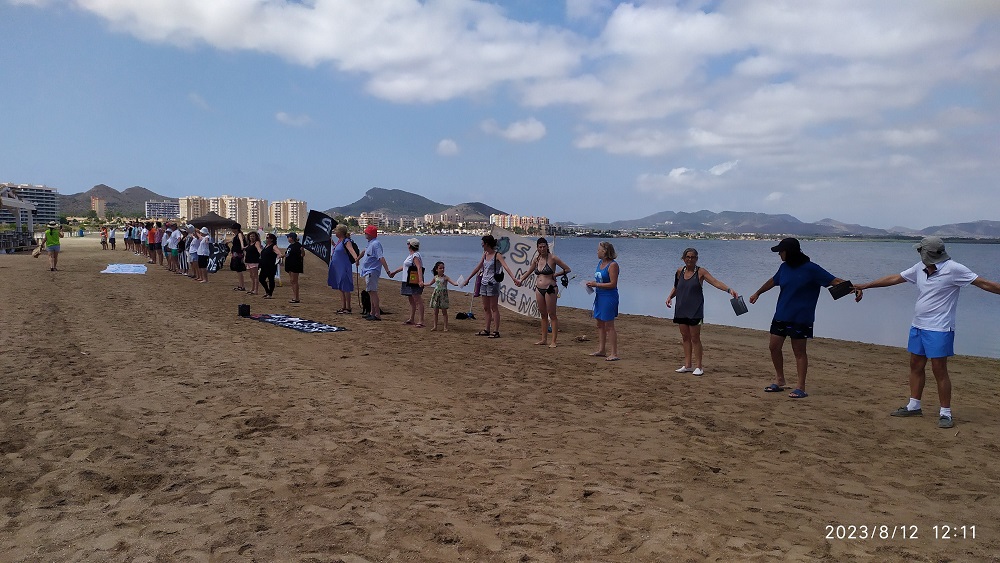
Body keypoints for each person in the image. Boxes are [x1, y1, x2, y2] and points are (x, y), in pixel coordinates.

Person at [854, 236, 1000, 428]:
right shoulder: (919, 268)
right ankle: (914, 406)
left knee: (939, 370)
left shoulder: (954, 269)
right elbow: (894, 278)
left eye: (920, 250)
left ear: (927, 253)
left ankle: (945, 413)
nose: (918, 253)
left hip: (940, 328)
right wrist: (866, 286)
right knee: (915, 364)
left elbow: (984, 284)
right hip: (918, 326)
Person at [749, 238, 852, 399]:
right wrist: (758, 293)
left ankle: (800, 387)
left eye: (780, 251)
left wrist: (856, 288)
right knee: (773, 347)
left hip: (801, 318)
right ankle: (780, 379)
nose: (779, 254)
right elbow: (773, 281)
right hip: (781, 315)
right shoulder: (784, 267)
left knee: (799, 352)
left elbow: (835, 281)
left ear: (789, 252)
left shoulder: (811, 269)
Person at [665, 247, 739, 376]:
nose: (690, 259)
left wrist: (729, 290)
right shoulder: (679, 271)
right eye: (688, 257)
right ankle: (688, 365)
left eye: (693, 257)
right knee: (685, 337)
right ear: (683, 258)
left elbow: (715, 282)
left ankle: (699, 366)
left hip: (695, 309)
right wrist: (670, 297)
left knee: (695, 338)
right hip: (681, 308)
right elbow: (677, 287)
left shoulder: (700, 272)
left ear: (696, 259)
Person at [515, 237, 571, 347]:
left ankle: (554, 341)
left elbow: (567, 269)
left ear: (547, 247)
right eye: (540, 247)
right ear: (537, 248)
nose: (542, 249)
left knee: (552, 314)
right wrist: (521, 280)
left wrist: (556, 274)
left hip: (550, 288)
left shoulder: (553, 258)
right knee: (543, 314)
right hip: (539, 288)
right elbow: (530, 271)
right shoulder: (536, 259)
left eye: (544, 246)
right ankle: (543, 339)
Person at [462, 234, 516, 338]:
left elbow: (506, 267)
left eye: (483, 243)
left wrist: (514, 278)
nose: (482, 245)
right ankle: (487, 329)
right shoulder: (485, 254)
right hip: (484, 283)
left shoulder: (497, 255)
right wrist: (468, 278)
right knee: (486, 307)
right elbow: (478, 267)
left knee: (494, 307)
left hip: (493, 283)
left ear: (487, 244)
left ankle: (496, 331)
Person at [586, 241, 620, 360]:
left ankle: (614, 353)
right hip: (599, 296)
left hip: (609, 297)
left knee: (609, 325)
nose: (597, 251)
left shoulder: (613, 265)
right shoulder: (600, 263)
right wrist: (591, 284)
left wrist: (596, 284)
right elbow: (600, 281)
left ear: (604, 251)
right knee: (599, 324)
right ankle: (601, 349)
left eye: (598, 249)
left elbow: (613, 284)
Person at [357, 225, 392, 321]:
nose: (365, 234)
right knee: (370, 292)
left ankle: (377, 314)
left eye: (366, 233)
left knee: (373, 293)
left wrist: (388, 271)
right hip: (368, 271)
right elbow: (364, 251)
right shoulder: (370, 243)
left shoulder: (376, 244)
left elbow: (381, 257)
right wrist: (357, 259)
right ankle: (372, 312)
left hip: (372, 271)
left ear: (370, 234)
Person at [390, 238, 426, 327]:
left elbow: (419, 267)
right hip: (408, 280)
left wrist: (420, 280)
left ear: (410, 245)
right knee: (411, 300)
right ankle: (412, 318)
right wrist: (395, 272)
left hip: (414, 281)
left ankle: (421, 321)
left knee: (417, 300)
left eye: (408, 243)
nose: (407, 245)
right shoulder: (411, 255)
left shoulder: (415, 256)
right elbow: (405, 266)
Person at [328, 224, 359, 313]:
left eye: (336, 231)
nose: (335, 232)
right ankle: (343, 306)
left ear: (340, 232)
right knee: (340, 286)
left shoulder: (346, 241)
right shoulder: (339, 241)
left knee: (345, 286)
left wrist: (356, 259)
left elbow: (351, 250)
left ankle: (348, 308)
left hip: (344, 266)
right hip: (337, 267)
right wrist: (333, 243)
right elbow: (338, 250)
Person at [428, 261, 459, 331]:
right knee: (435, 312)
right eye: (440, 268)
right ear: (437, 269)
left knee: (444, 312)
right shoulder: (435, 277)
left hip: (443, 295)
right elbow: (430, 283)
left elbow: (454, 283)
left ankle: (445, 327)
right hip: (436, 295)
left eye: (443, 268)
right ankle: (435, 326)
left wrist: (461, 283)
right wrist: (422, 284)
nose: (442, 269)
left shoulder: (446, 277)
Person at [258, 233, 284, 299]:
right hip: (264, 265)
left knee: (271, 279)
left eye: (267, 238)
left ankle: (270, 294)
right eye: (266, 238)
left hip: (270, 265)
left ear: (271, 239)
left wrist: (279, 258)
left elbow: (279, 253)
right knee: (261, 278)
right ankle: (267, 291)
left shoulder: (273, 246)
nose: (266, 239)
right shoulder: (266, 245)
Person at [284, 232, 305, 303]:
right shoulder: (290, 245)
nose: (287, 238)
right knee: (292, 281)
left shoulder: (298, 245)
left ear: (292, 238)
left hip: (295, 265)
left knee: (294, 281)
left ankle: (296, 297)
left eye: (288, 237)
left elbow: (302, 255)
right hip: (290, 264)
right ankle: (294, 296)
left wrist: (302, 250)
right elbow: (287, 254)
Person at [230, 223, 248, 292]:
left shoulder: (239, 234)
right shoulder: (236, 235)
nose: (232, 230)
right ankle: (241, 285)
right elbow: (234, 241)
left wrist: (242, 247)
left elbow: (241, 241)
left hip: (238, 254)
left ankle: (242, 286)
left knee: (239, 270)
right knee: (238, 270)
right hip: (236, 254)